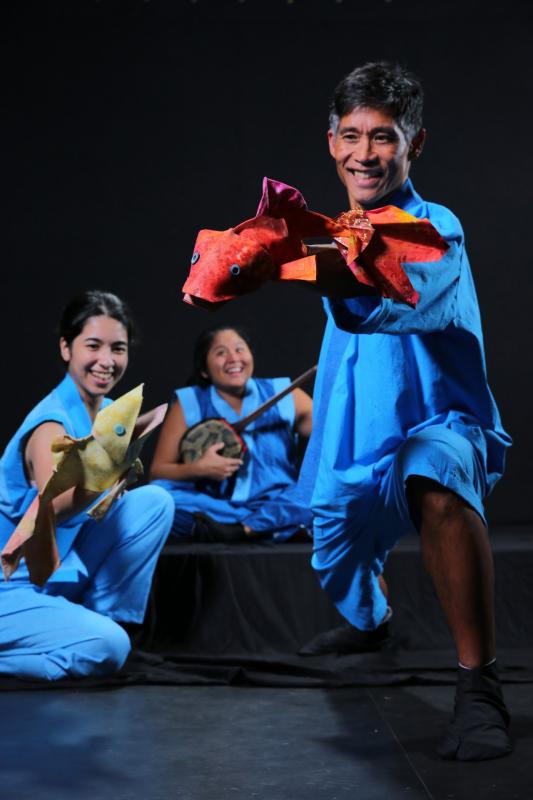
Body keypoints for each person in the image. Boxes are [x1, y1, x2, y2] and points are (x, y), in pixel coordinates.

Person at [295, 62, 513, 761]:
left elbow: (402, 298)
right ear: (330, 142)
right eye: (351, 135)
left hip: (438, 425)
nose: (365, 153)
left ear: (412, 145)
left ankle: (479, 688)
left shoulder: (435, 225)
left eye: (383, 137)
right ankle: (373, 619)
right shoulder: (333, 230)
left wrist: (321, 265)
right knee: (333, 554)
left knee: (436, 479)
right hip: (354, 445)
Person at [0, 290, 174, 680]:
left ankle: (101, 619)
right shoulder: (50, 425)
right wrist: (109, 471)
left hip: (55, 571)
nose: (106, 361)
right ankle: (92, 637)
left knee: (156, 502)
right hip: (9, 586)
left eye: (118, 348)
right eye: (92, 346)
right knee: (106, 649)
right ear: (66, 348)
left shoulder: (110, 412)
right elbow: (52, 507)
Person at [149, 324, 313, 542]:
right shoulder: (189, 402)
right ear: (204, 370)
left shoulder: (287, 395)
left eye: (239, 349)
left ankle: (244, 530)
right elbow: (158, 472)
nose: (233, 358)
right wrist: (198, 468)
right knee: (157, 494)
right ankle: (267, 530)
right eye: (220, 352)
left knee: (321, 488)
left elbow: (330, 444)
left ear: (250, 356)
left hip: (277, 504)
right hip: (217, 509)